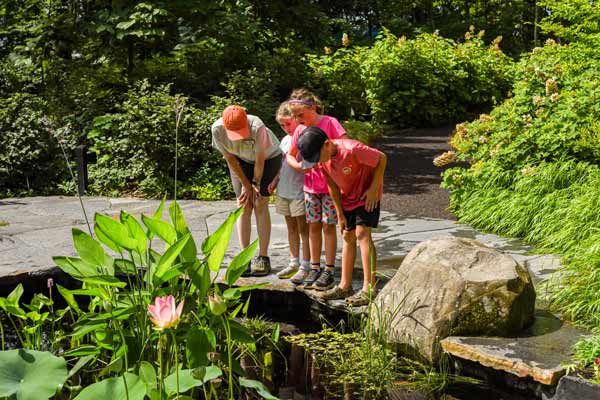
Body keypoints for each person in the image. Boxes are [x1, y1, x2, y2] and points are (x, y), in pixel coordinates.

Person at [296, 126, 387, 306]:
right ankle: (345, 285)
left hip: (365, 195)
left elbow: (381, 158)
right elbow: (331, 185)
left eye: (317, 157)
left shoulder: (352, 149)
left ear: (327, 144)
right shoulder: (324, 160)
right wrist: (339, 213)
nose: (316, 162)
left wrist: (374, 187)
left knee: (362, 234)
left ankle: (369, 288)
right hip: (347, 197)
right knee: (347, 235)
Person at [211, 105, 282, 276]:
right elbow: (229, 157)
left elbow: (260, 159)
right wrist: (245, 184)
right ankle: (244, 256)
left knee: (260, 202)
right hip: (239, 161)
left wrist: (255, 183)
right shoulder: (217, 129)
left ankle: (263, 257)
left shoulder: (257, 126)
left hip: (268, 158)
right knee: (243, 204)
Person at [287, 88, 346, 290]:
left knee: (329, 225)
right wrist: (299, 167)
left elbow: (344, 147)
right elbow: (290, 154)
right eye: (294, 116)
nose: (297, 119)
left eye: (300, 115)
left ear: (312, 107)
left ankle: (329, 269)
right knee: (313, 226)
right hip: (310, 187)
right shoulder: (299, 129)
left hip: (330, 188)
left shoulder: (330, 123)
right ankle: (314, 266)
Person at [268, 102, 311, 280]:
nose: (286, 128)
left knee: (304, 229)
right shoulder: (285, 140)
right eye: (282, 125)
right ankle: (294, 262)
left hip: (299, 191)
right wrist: (275, 180)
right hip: (284, 191)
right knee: (291, 228)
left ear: (296, 119)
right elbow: (283, 165)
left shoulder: (305, 138)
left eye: (288, 123)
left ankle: (306, 264)